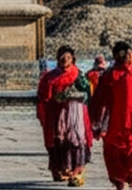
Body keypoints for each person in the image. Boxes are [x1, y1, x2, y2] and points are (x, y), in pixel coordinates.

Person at [90, 41, 132, 190]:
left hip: (120, 125)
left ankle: (122, 184)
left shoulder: (112, 75)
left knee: (119, 157)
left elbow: (99, 101)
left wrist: (94, 120)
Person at [36, 45, 92, 186]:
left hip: (75, 113)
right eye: (62, 57)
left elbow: (87, 92)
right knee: (58, 140)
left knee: (75, 140)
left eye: (68, 57)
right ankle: (61, 169)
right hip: (57, 113)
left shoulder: (78, 74)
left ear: (73, 59)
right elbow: (43, 95)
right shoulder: (50, 77)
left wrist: (77, 97)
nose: (65, 60)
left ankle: (76, 170)